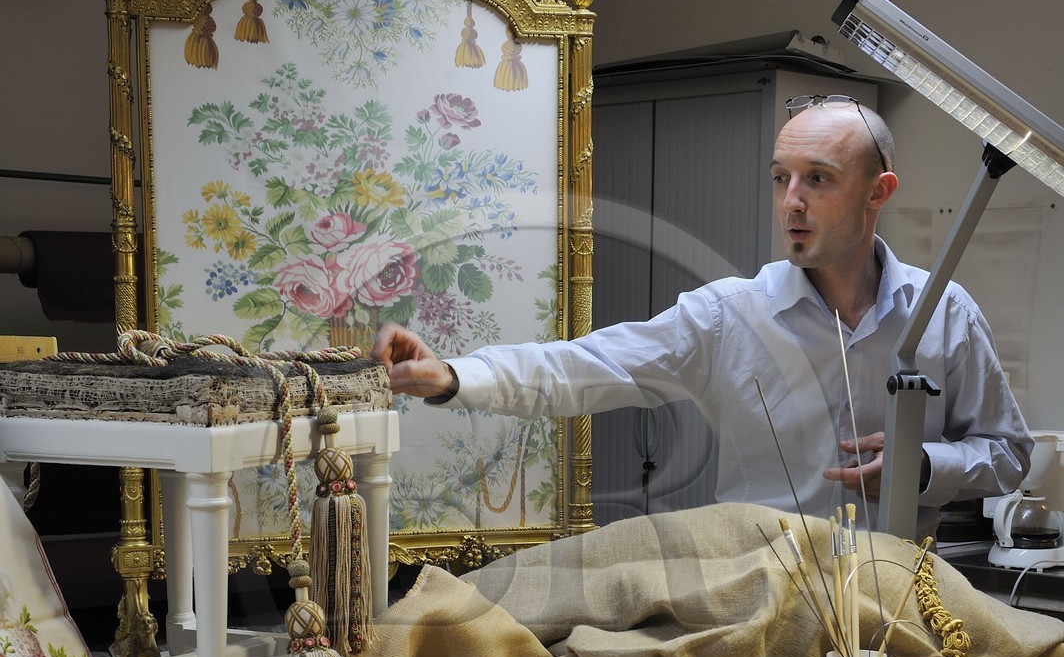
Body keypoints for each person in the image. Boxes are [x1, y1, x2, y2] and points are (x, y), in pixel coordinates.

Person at [373, 96, 1032, 535]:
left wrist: (923, 466)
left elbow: (1008, 455)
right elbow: (583, 367)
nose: (792, 202)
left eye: (819, 179)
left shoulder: (942, 313)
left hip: (901, 605)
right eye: (781, 178)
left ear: (877, 192)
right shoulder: (727, 317)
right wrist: (455, 376)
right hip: (758, 595)